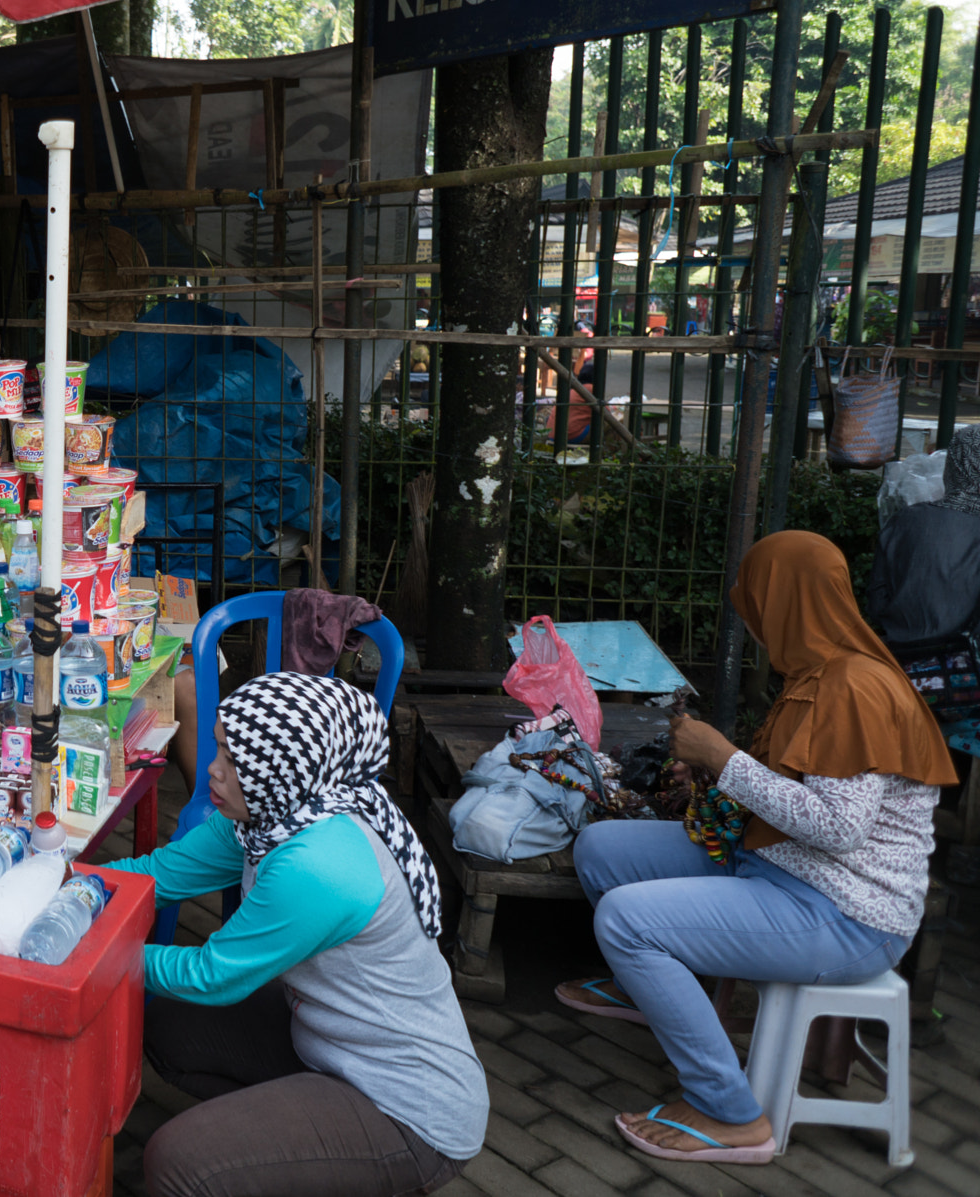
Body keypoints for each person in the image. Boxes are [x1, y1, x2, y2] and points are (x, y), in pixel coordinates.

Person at [559, 530, 954, 1164]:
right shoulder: (821, 672)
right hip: (777, 866)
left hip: (846, 913)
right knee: (604, 849)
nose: (756, 624)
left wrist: (726, 758)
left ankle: (730, 1112)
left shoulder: (854, 687)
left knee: (627, 922)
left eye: (760, 606)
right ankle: (649, 990)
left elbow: (838, 828)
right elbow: (793, 789)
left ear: (789, 603)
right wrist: (714, 773)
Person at [111, 672, 487, 1197]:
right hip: (329, 1044)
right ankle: (284, 1158)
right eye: (218, 748)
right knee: (167, 1025)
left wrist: (99, 952)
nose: (212, 773)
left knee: (177, 1162)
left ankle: (307, 1161)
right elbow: (159, 875)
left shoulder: (317, 864)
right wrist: (67, 884)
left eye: (234, 761)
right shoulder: (269, 815)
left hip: (408, 1111)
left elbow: (214, 976)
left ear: (283, 768)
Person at [864, 425, 980, 644]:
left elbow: (877, 601)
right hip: (966, 665)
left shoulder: (907, 519)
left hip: (899, 657)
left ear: (953, 465)